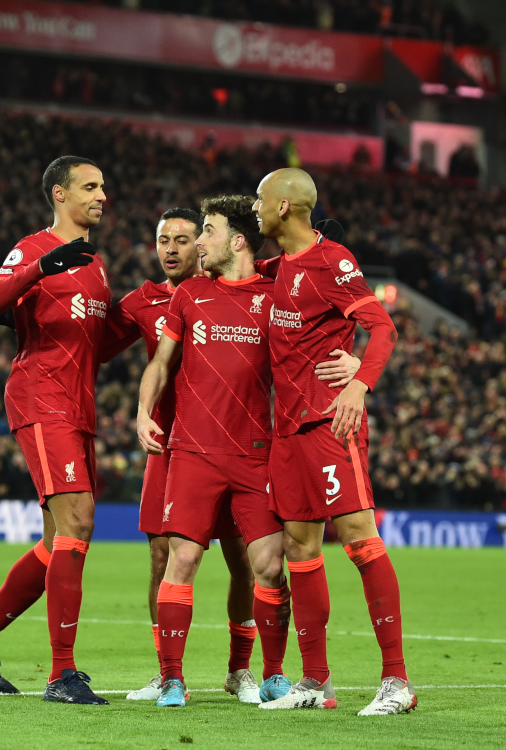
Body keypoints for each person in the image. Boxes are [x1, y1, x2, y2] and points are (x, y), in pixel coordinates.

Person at [135, 196, 361, 708]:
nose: (198, 241)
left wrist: (355, 365)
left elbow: (324, 305)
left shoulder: (274, 291)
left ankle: (274, 675)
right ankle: (172, 677)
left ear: (236, 240)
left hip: (256, 453)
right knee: (183, 557)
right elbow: (161, 362)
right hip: (192, 450)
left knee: (269, 565)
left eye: (207, 231)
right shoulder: (189, 294)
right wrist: (144, 411)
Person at [0, 156, 111, 705]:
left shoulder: (96, 264)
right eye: (90, 186)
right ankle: (62, 673)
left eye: (103, 187)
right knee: (78, 522)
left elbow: (97, 344)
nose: (101, 195)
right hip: (42, 397)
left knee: (55, 541)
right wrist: (41, 268)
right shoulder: (36, 246)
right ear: (59, 194)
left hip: (79, 405)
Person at [252, 168, 416, 715]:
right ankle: (315, 682)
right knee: (300, 547)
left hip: (329, 424)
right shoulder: (274, 269)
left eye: (259, 199)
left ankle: (397, 682)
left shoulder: (332, 261)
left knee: (358, 537)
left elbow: (383, 327)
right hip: (287, 431)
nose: (254, 207)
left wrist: (359, 384)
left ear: (282, 207)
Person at [100, 208, 259, 703]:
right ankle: (165, 670)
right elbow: (95, 344)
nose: (169, 248)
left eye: (182, 239)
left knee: (243, 560)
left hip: (231, 442)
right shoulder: (142, 301)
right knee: (161, 556)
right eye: (162, 239)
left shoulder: (231, 289)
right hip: (170, 447)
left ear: (202, 245)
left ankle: (241, 669)